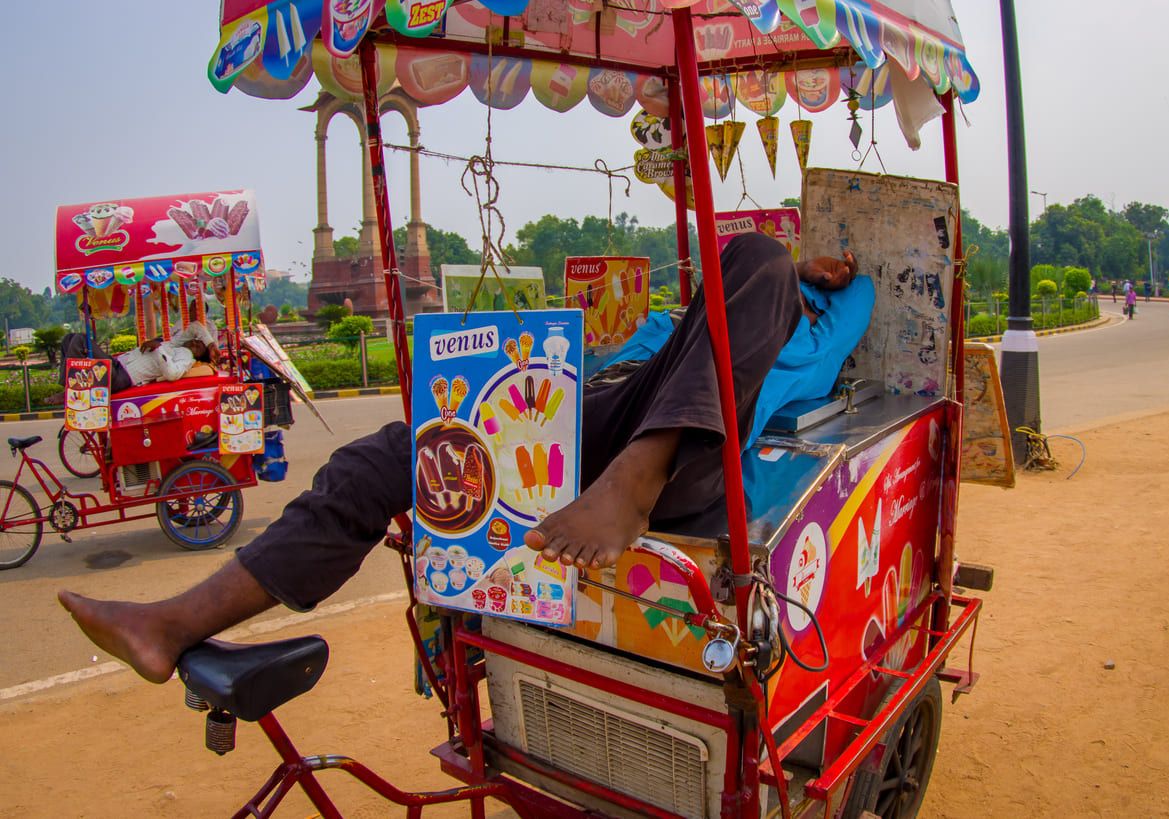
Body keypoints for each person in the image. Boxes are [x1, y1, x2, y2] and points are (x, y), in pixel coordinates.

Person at [59, 234, 873, 684]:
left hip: (689, 446)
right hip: (608, 408)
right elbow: (654, 338)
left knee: (757, 250)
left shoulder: (810, 323)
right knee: (388, 453)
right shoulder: (698, 317)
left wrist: (805, 276)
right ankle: (176, 622)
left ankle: (634, 482)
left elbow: (828, 294)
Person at [60, 319, 217, 392]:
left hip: (120, 377)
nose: (195, 343)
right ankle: (66, 384)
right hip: (116, 364)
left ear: (198, 357)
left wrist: (158, 349)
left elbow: (172, 374)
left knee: (81, 339)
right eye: (196, 341)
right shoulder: (176, 345)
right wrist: (210, 344)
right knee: (69, 339)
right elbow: (195, 326)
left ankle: (69, 387)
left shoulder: (186, 357)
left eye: (198, 347)